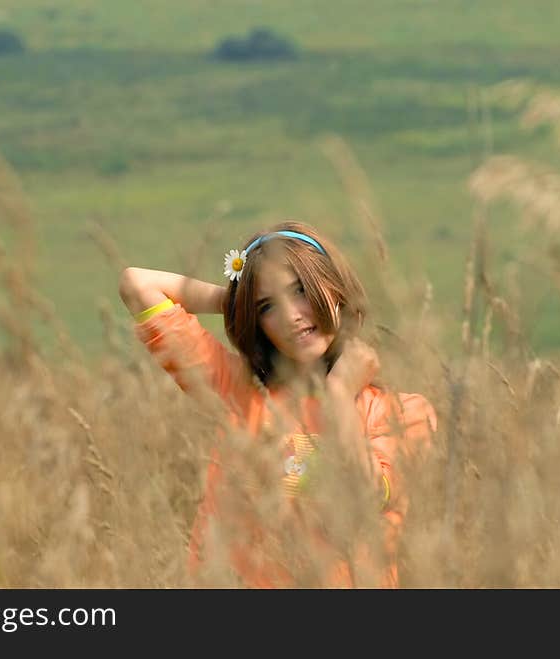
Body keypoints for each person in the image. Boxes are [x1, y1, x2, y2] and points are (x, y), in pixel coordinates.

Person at [118, 220, 436, 587]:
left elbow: (365, 496)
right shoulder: (241, 393)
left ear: (336, 287)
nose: (290, 316)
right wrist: (240, 302)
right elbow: (138, 285)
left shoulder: (406, 414)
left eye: (300, 290)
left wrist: (338, 395)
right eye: (268, 307)